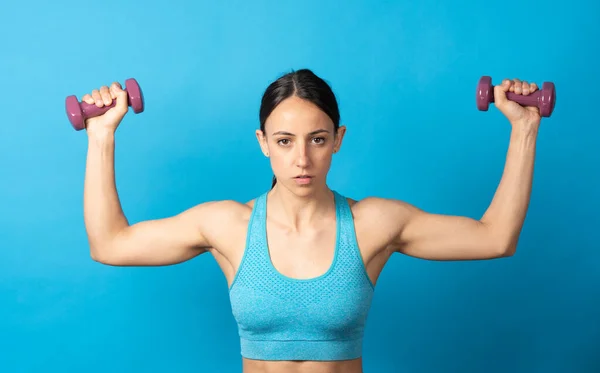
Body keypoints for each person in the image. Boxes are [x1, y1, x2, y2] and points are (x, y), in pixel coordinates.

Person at [81, 69, 541, 373]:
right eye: (284, 141)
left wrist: (524, 129)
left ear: (338, 139)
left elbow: (495, 237)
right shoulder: (226, 225)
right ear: (262, 142)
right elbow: (110, 244)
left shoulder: (374, 223)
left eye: (317, 139)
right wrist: (101, 137)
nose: (302, 158)